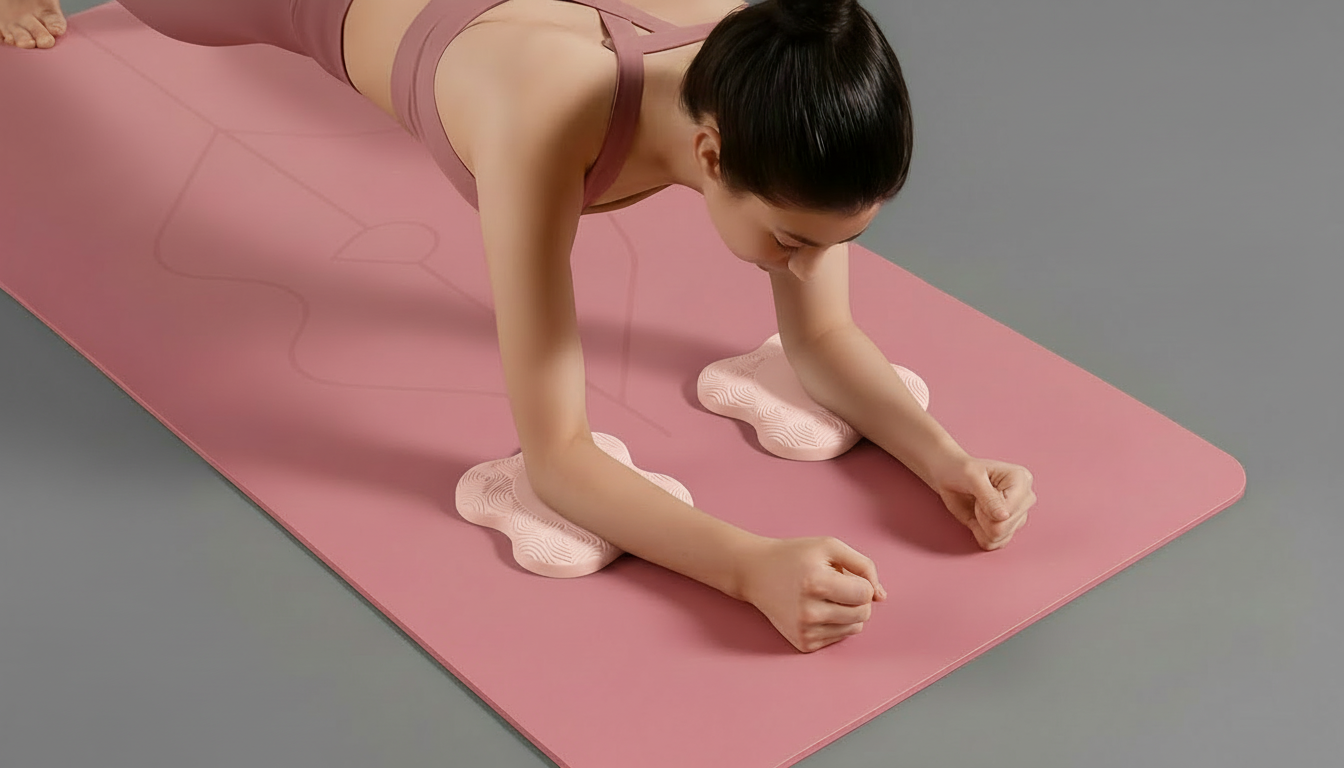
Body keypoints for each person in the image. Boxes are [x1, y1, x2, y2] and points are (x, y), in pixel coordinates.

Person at [4, 0, 1036, 653]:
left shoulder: (779, 79)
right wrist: (747, 566)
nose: (809, 267)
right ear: (713, 157)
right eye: (793, 244)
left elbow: (821, 344)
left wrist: (947, 462)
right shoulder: (545, 121)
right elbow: (558, 458)